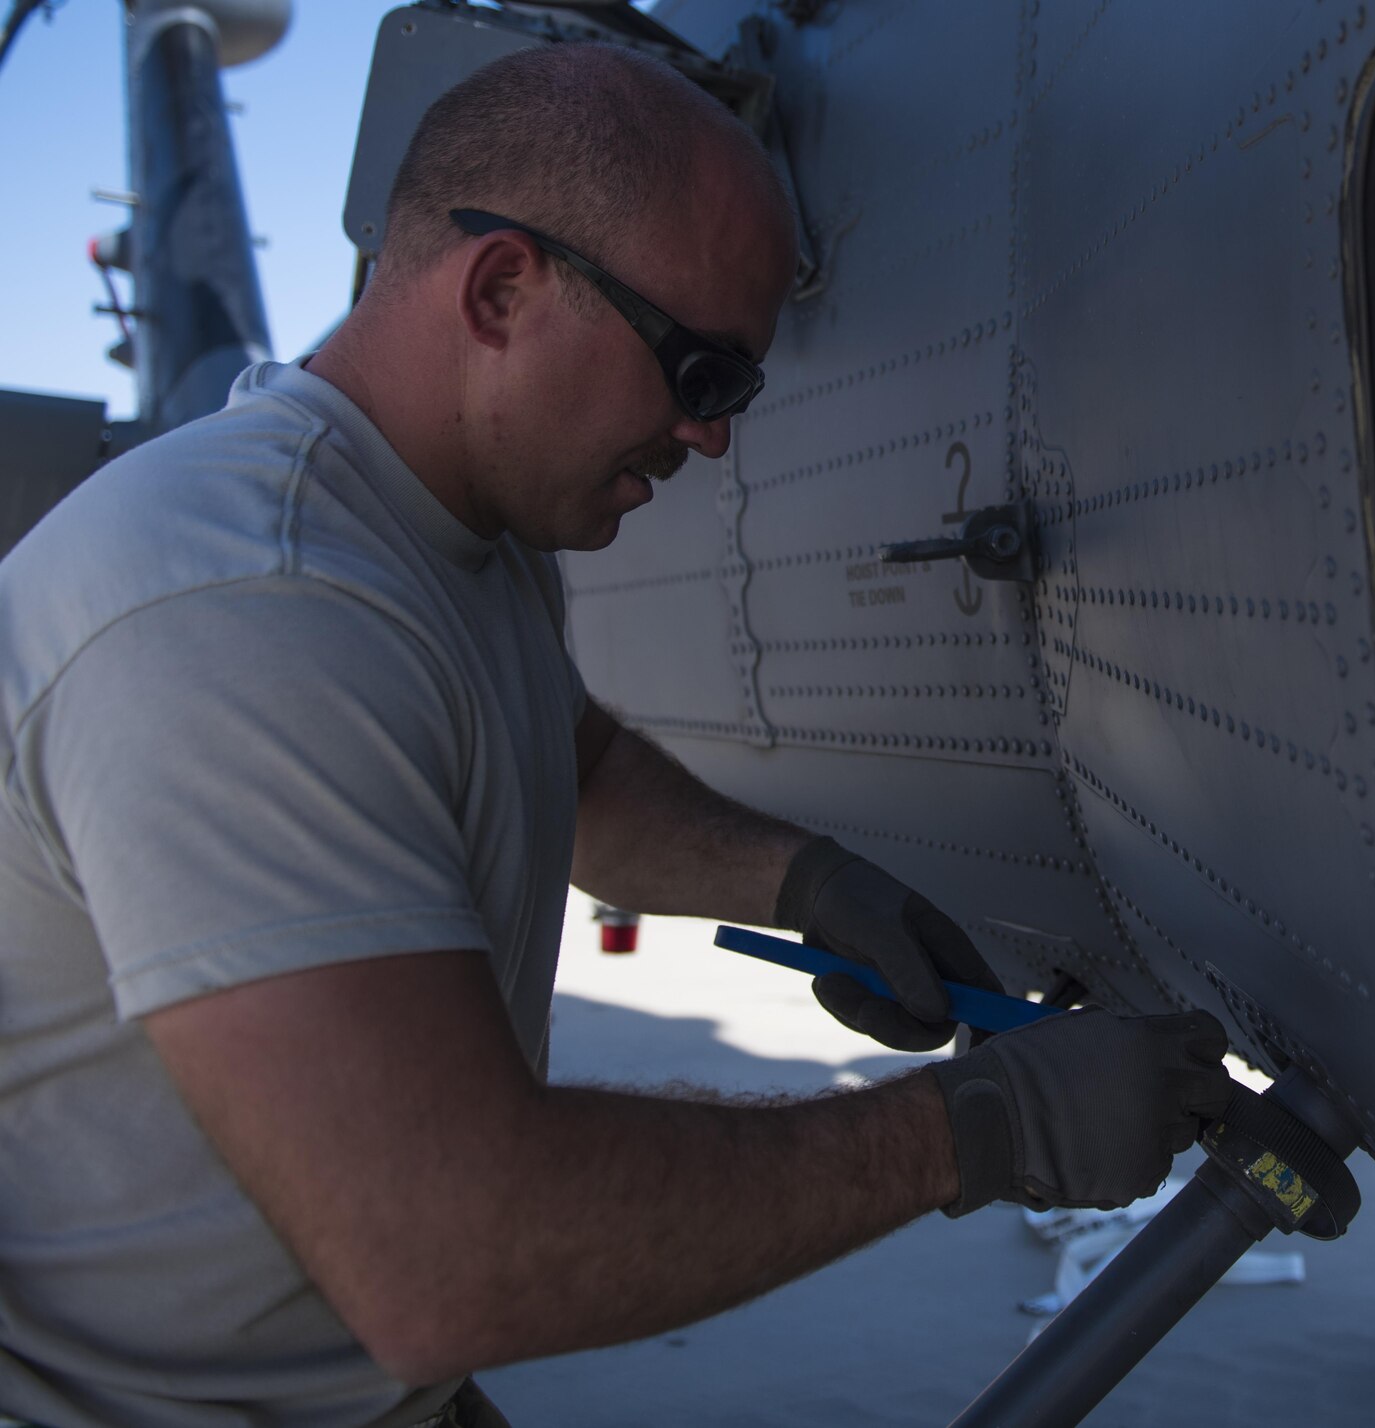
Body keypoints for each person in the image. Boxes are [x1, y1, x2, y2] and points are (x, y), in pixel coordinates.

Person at [0, 40, 1232, 1428]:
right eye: (701, 374)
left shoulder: (462, 529)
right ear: (503, 289)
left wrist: (803, 882)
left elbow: (570, 766)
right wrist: (978, 1130)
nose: (715, 443)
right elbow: (449, 1252)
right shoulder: (244, 610)